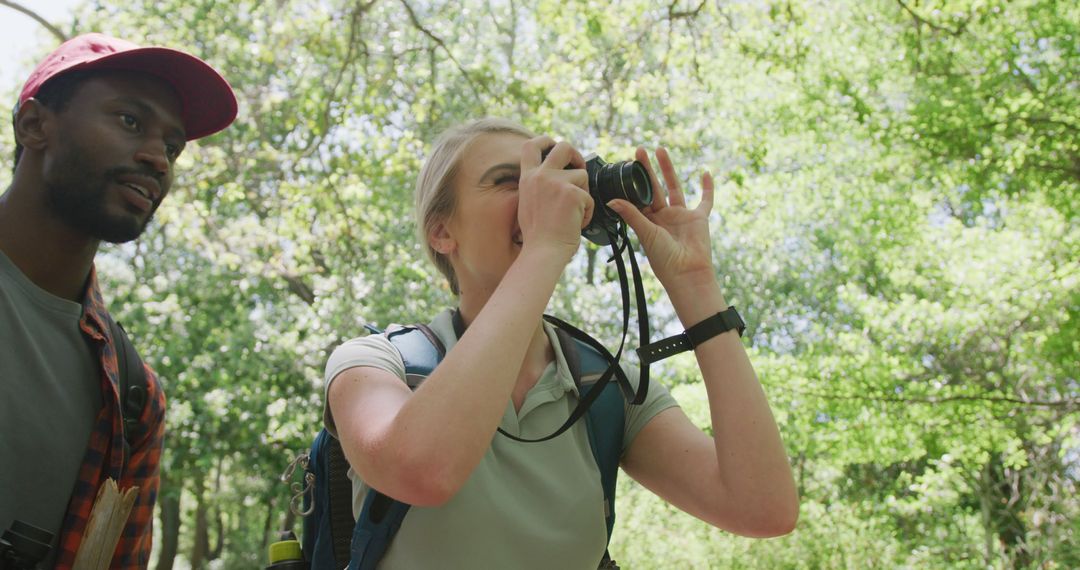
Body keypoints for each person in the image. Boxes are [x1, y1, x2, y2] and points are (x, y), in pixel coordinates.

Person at [323, 118, 799, 568]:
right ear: (443, 231)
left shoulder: (605, 390)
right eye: (511, 180)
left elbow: (763, 508)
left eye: (551, 176)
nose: (539, 191)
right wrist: (544, 247)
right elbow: (421, 470)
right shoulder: (374, 364)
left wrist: (696, 286)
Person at [0, 33, 236, 568]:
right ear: (35, 125)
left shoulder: (132, 398)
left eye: (173, 147)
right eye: (130, 121)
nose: (158, 159)